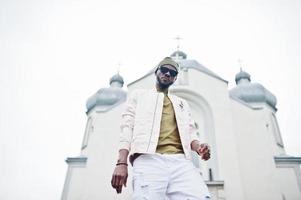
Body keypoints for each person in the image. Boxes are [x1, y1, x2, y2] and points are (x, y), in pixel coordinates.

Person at [111, 57, 211, 200]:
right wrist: (121, 163)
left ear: (175, 78)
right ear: (156, 72)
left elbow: (191, 133)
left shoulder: (181, 103)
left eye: (172, 73)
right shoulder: (139, 96)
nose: (168, 74)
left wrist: (200, 148)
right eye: (164, 70)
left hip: (181, 162)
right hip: (148, 159)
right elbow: (127, 128)